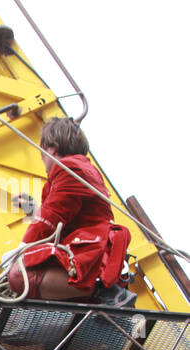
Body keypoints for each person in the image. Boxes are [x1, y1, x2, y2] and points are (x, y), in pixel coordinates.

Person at [7, 117, 129, 301]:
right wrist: (34, 210)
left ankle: (100, 292)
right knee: (25, 272)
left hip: (91, 257)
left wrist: (20, 252)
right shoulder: (82, 169)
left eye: (43, 154)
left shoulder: (70, 168)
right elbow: (65, 213)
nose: (43, 160)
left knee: (21, 277)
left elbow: (53, 214)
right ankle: (93, 292)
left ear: (52, 149)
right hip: (89, 251)